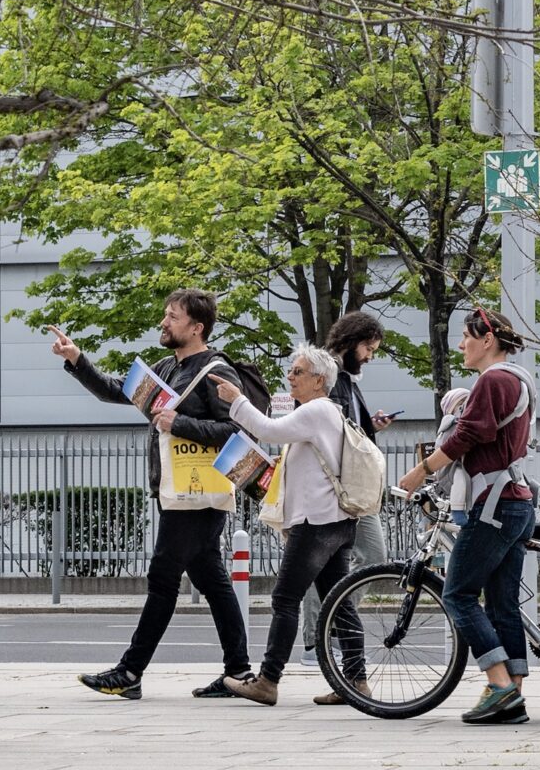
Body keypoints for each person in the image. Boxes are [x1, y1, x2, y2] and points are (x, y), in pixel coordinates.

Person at [50, 289, 257, 700]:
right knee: (212, 580)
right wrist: (77, 359)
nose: (164, 322)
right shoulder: (167, 367)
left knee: (162, 577)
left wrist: (180, 423)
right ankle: (239, 673)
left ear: (196, 328)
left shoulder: (216, 372)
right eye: (165, 315)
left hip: (199, 495)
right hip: (177, 492)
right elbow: (117, 390)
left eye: (173, 317)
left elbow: (240, 433)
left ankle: (130, 672)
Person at [395, 307, 536, 725]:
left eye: (466, 337)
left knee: (457, 593)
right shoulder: (520, 378)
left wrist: (422, 469)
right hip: (515, 501)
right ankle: (510, 694)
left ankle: (499, 684)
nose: (461, 345)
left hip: (494, 504)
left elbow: (469, 434)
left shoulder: (494, 379)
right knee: (503, 605)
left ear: (487, 339)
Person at [213, 344, 369, 705]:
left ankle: (268, 680)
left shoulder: (316, 410)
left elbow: (266, 429)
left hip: (316, 524)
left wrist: (237, 400)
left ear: (318, 380)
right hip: (336, 521)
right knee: (340, 602)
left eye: (297, 372)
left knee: (285, 598)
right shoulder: (324, 414)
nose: (290, 377)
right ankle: (357, 682)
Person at [301, 310, 398, 704]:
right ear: (352, 341)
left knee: (357, 565)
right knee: (363, 561)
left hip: (355, 492)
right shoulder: (334, 378)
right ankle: (324, 635)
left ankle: (328, 630)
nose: (371, 356)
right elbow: (332, 436)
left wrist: (371, 425)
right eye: (369, 348)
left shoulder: (348, 382)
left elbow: (349, 432)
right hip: (345, 494)